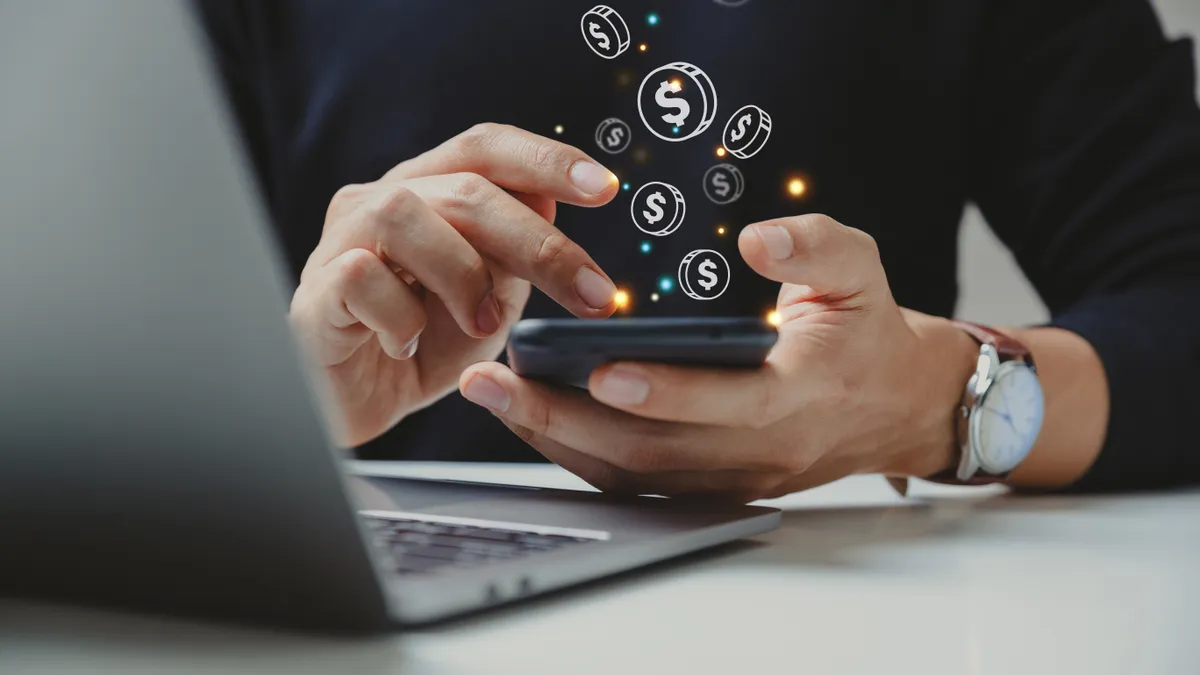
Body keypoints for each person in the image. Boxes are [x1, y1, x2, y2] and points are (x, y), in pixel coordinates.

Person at [196, 0, 1200, 499]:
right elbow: (102, 349)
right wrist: (281, 408)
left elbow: (1179, 295)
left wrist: (944, 407)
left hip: (852, 613)